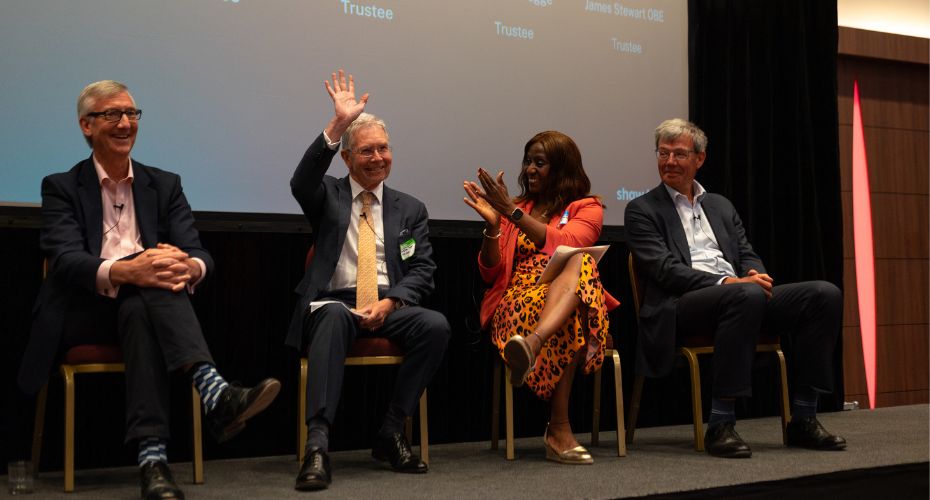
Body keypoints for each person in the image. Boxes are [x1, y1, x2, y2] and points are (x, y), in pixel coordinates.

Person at [16, 80, 281, 499]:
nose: (125, 123)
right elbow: (66, 261)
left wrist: (186, 267)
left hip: (146, 310)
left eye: (132, 114)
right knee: (149, 276)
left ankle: (153, 459)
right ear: (86, 125)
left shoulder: (165, 184)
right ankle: (213, 393)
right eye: (112, 115)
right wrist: (129, 270)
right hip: (85, 313)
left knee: (148, 294)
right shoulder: (61, 186)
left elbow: (199, 254)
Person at [624, 118, 847, 458]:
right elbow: (665, 271)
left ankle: (803, 416)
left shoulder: (720, 205)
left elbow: (745, 252)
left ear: (699, 159)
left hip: (742, 296)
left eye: (679, 154)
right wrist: (730, 282)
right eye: (663, 153)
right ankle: (721, 423)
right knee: (745, 293)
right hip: (681, 305)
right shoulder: (641, 210)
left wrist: (755, 272)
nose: (669, 162)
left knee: (823, 294)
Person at [287, 70, 450, 491]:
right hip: (333, 302)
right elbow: (300, 181)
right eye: (366, 151)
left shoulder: (410, 209)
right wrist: (337, 124)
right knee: (332, 318)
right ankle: (318, 446)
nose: (378, 158)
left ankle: (391, 431)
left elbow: (422, 270)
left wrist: (392, 302)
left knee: (435, 326)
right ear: (346, 158)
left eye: (384, 149)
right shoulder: (327, 195)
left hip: (386, 303)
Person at [464, 131, 619, 464]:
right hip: (517, 302)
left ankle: (533, 345)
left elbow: (565, 243)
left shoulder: (587, 208)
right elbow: (490, 273)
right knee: (574, 308)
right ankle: (559, 430)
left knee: (580, 260)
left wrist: (513, 215)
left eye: (540, 162)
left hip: (561, 301)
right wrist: (494, 226)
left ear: (562, 168)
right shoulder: (516, 208)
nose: (530, 169)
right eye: (528, 161)